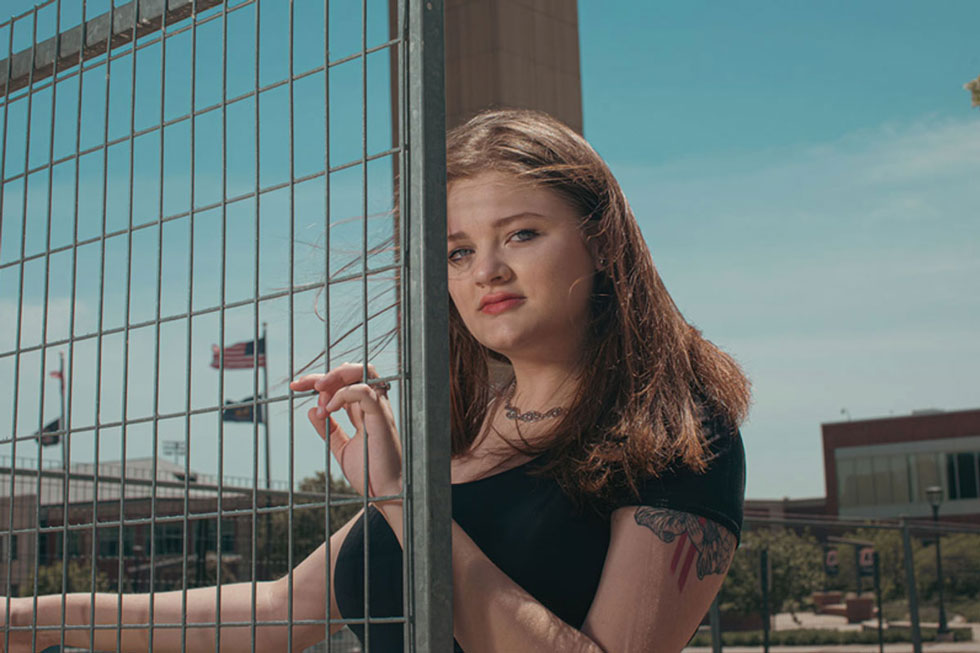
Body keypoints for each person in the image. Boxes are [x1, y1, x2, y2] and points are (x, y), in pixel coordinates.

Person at [1, 108, 749, 652]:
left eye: (521, 233)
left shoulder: (682, 436)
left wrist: (399, 497)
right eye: (457, 250)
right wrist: (21, 620)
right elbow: (275, 611)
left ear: (602, 239)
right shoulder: (463, 433)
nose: (485, 268)